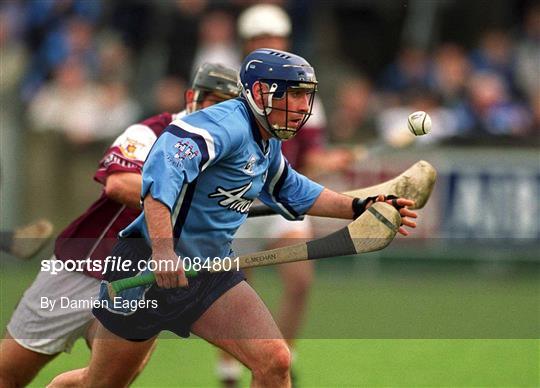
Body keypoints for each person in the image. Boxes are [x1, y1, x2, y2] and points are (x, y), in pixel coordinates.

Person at [47, 48, 417, 388]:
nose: (303, 106)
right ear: (259, 93)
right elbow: (159, 178)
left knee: (274, 361)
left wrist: (360, 206)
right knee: (99, 384)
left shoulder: (267, 139)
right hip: (145, 266)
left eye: (307, 95)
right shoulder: (221, 126)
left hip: (208, 271)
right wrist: (163, 251)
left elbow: (294, 189)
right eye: (294, 94)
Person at [0, 63, 241, 387]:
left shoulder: (228, 160)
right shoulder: (151, 132)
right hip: (84, 267)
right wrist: (180, 204)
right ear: (192, 98)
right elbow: (119, 184)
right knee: (9, 373)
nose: (221, 113)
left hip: (140, 281)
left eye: (231, 107)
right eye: (215, 101)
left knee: (106, 382)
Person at [219, 5, 353, 386]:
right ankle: (228, 366)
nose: (269, 45)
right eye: (261, 39)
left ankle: (283, 357)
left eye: (275, 39)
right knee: (232, 287)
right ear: (247, 44)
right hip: (235, 202)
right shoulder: (234, 91)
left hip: (281, 200)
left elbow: (310, 159)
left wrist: (331, 160)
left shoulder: (304, 90)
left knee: (300, 279)